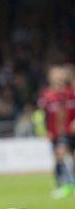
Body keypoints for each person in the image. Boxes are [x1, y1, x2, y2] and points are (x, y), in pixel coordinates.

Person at [38, 64, 75, 199]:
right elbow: (44, 115)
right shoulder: (47, 95)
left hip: (69, 132)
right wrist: (46, 131)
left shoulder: (70, 93)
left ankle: (68, 184)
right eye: (55, 76)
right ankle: (63, 184)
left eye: (60, 76)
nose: (58, 79)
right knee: (59, 156)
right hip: (57, 133)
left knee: (65, 156)